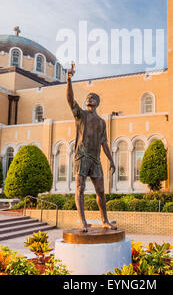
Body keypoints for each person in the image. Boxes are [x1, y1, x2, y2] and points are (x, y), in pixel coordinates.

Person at [66, 65, 117, 232]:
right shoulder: (81, 115)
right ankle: (83, 222)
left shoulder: (102, 122)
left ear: (97, 102)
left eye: (92, 97)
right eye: (87, 97)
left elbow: (105, 143)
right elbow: (70, 99)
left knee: (101, 191)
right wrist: (69, 80)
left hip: (95, 159)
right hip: (81, 156)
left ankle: (104, 220)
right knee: (80, 188)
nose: (89, 99)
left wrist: (111, 160)